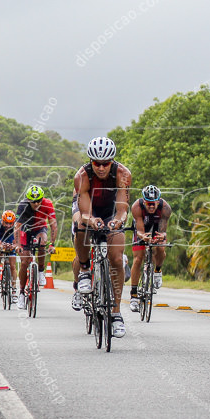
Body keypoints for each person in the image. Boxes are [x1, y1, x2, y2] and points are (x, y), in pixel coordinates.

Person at [72, 136, 132, 338]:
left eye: (106, 164)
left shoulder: (123, 174)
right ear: (91, 161)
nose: (101, 168)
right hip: (89, 209)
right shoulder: (82, 176)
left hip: (112, 211)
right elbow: (85, 211)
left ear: (112, 162)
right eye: (96, 163)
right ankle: (83, 270)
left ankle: (116, 314)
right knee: (80, 225)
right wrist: (91, 220)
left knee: (116, 259)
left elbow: (122, 208)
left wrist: (117, 221)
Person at [128, 185, 172, 312]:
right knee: (138, 259)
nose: (151, 207)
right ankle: (134, 295)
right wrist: (143, 236)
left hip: (157, 228)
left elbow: (163, 230)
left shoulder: (165, 208)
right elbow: (140, 230)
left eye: (154, 204)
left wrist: (162, 236)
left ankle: (157, 271)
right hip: (142, 229)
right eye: (149, 204)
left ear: (158, 201)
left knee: (161, 249)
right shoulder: (137, 207)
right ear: (144, 201)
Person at [14, 185, 58, 310]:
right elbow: (17, 226)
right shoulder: (23, 205)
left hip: (39, 228)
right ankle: (21, 292)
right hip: (25, 231)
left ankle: (40, 271)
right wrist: (17, 244)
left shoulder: (48, 204)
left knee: (42, 241)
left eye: (39, 200)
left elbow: (53, 225)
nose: (36, 203)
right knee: (24, 262)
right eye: (33, 201)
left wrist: (52, 244)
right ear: (28, 200)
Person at [0, 211, 17, 302]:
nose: (8, 225)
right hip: (0, 239)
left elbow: (16, 242)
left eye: (11, 223)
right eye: (6, 223)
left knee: (13, 266)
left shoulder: (16, 226)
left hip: (10, 239)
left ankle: (14, 290)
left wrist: (13, 247)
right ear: (2, 221)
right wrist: (1, 246)